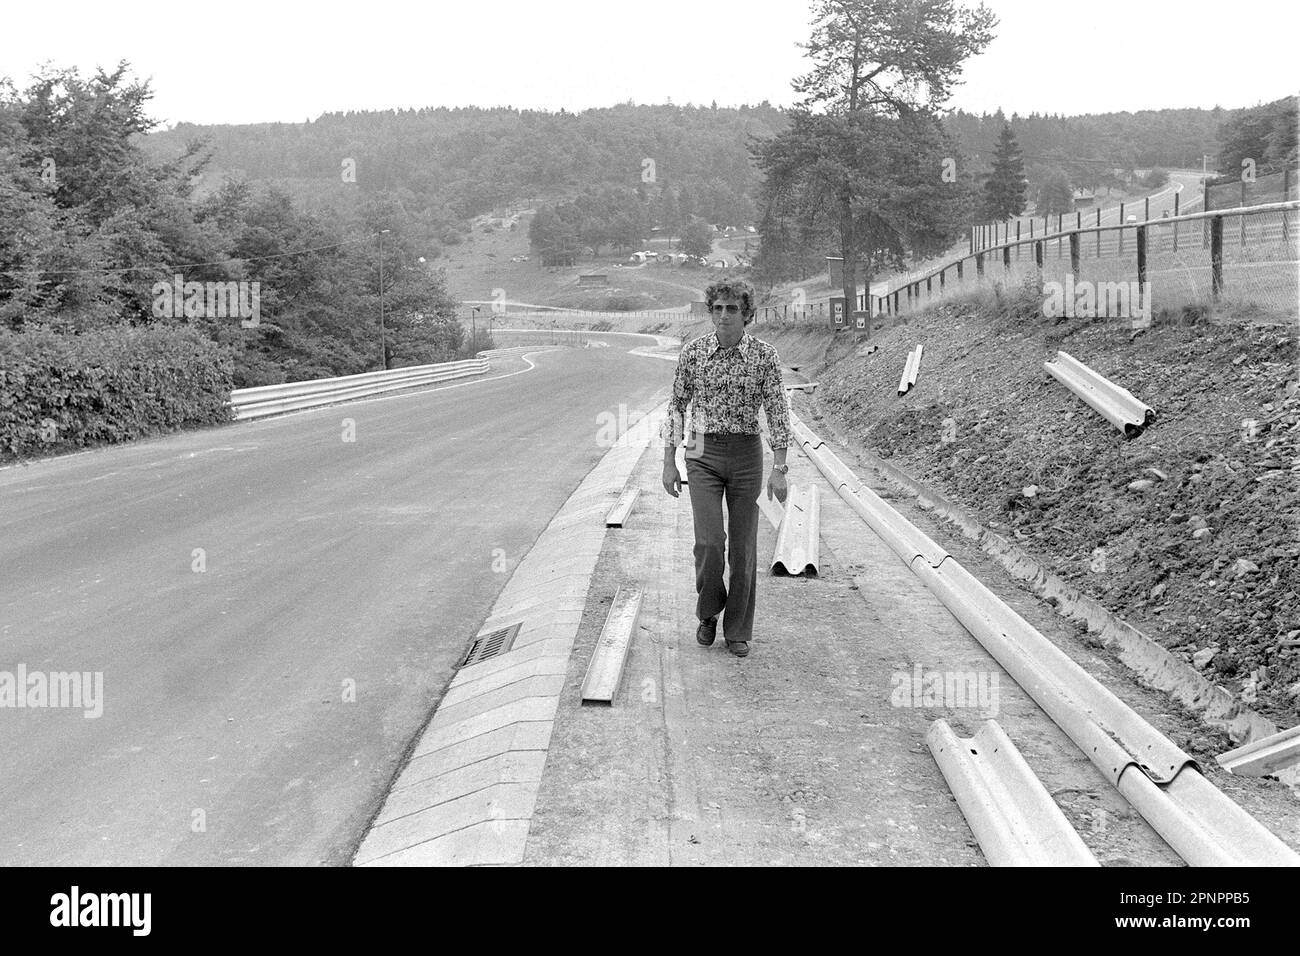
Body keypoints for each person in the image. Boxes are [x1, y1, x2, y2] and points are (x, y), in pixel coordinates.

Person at [659, 278, 791, 659]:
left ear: (746, 314)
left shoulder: (765, 357)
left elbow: (778, 410)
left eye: (732, 309)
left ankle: (737, 629)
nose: (723, 315)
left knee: (744, 547)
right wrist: (669, 461)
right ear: (710, 311)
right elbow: (676, 407)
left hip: (746, 453)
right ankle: (708, 611)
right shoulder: (694, 353)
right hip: (701, 451)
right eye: (717, 308)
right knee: (710, 542)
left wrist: (779, 467)